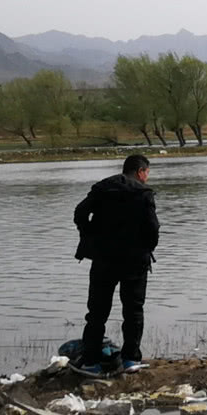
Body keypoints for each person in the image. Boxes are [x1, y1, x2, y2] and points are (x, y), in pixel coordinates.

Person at [74, 153, 160, 373]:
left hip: (103, 259)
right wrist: (147, 247)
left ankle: (91, 361)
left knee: (96, 312)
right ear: (141, 172)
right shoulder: (143, 193)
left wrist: (90, 234)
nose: (147, 178)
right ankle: (131, 360)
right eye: (147, 173)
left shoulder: (103, 188)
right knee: (133, 311)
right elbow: (153, 228)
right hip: (135, 262)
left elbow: (80, 213)